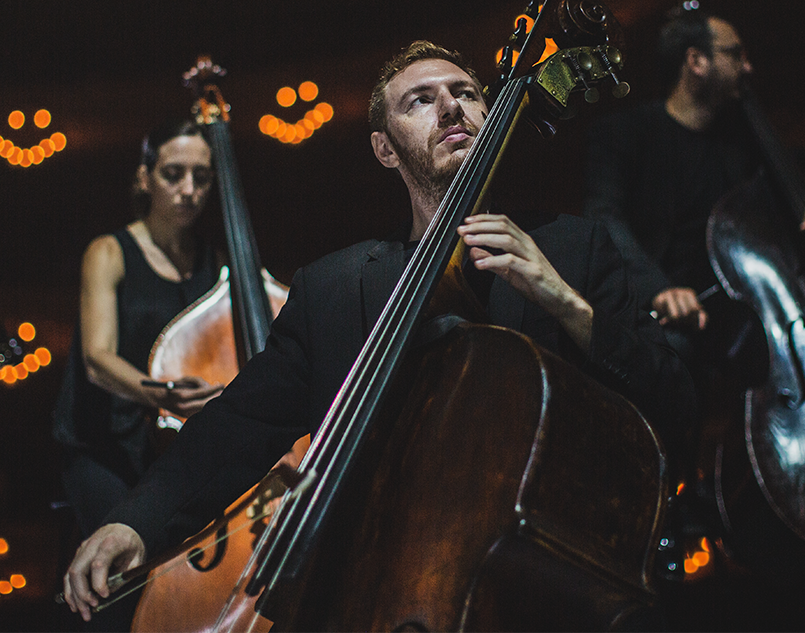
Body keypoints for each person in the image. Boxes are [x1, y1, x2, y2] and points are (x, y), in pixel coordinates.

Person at [61, 41, 692, 624]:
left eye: (468, 93)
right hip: (386, 597)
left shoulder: (574, 249)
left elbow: (671, 399)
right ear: (385, 148)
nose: (451, 106)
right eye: (420, 100)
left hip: (547, 591)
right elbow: (237, 426)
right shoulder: (333, 289)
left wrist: (564, 302)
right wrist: (136, 523)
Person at [584, 5, 805, 334]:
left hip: (742, 319)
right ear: (697, 62)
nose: (747, 66)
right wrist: (658, 289)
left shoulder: (738, 139)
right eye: (734, 55)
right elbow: (604, 216)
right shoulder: (625, 133)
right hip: (664, 320)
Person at [51, 120, 224, 628]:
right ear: (145, 177)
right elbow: (97, 359)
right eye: (173, 174)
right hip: (101, 445)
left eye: (202, 177)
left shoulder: (216, 265)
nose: (189, 189)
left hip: (168, 447)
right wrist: (164, 395)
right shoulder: (109, 251)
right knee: (124, 577)